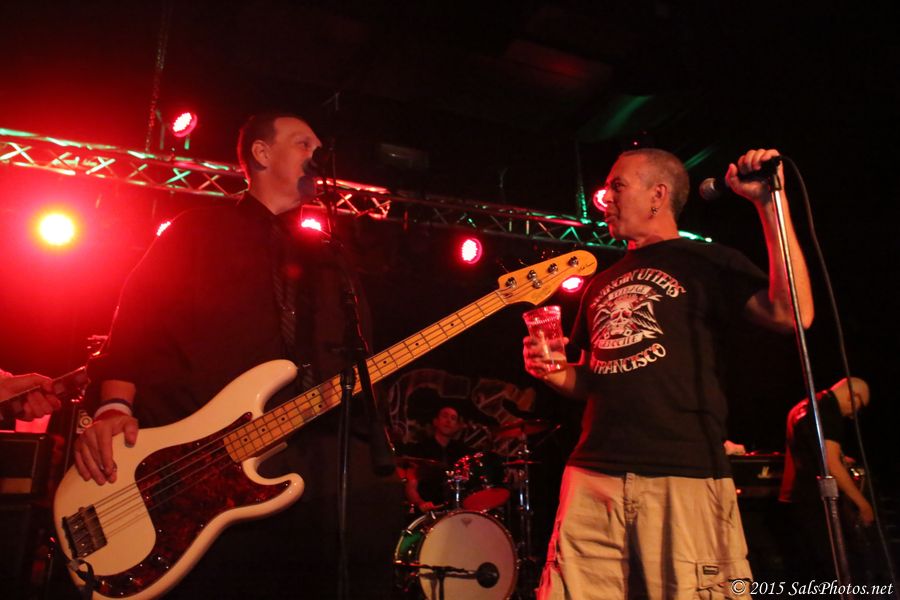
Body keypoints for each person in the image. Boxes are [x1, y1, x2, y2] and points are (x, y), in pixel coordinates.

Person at [69, 112, 395, 598]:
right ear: (261, 154)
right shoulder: (197, 231)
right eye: (303, 143)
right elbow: (137, 323)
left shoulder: (331, 256)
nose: (317, 155)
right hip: (200, 465)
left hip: (310, 467)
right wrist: (114, 407)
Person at [523, 147, 813, 599]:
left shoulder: (707, 261)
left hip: (682, 474)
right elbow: (596, 378)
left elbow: (792, 313)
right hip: (592, 477)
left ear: (657, 195)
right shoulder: (599, 284)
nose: (606, 198)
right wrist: (557, 373)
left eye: (617, 186)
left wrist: (770, 203)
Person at [779, 376, 872, 579]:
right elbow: (831, 464)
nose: (853, 416)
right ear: (853, 396)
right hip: (817, 501)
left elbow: (810, 451)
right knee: (836, 570)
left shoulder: (804, 405)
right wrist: (862, 503)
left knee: (809, 571)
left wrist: (839, 457)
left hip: (796, 498)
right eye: (859, 407)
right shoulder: (829, 409)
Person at [401, 402, 473, 512]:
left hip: (455, 509)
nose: (448, 421)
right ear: (435, 421)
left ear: (457, 426)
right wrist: (420, 503)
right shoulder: (420, 449)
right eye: (445, 416)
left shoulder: (462, 452)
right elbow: (411, 486)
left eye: (453, 418)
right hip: (428, 510)